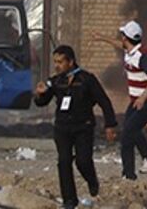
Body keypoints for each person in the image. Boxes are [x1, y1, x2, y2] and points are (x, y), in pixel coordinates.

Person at [34, 45, 117, 208]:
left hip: (83, 127)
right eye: (55, 62)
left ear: (70, 62)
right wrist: (39, 94)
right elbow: (42, 102)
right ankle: (69, 200)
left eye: (60, 62)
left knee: (83, 161)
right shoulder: (55, 81)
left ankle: (92, 180)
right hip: (62, 128)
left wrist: (110, 125)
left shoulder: (87, 79)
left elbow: (104, 102)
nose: (56, 65)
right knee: (64, 162)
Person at [115, 20, 147, 180]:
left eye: (122, 36)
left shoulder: (142, 56)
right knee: (129, 129)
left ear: (125, 38)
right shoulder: (129, 52)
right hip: (137, 101)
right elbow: (119, 45)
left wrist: (143, 96)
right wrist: (101, 38)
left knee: (128, 133)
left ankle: (129, 174)